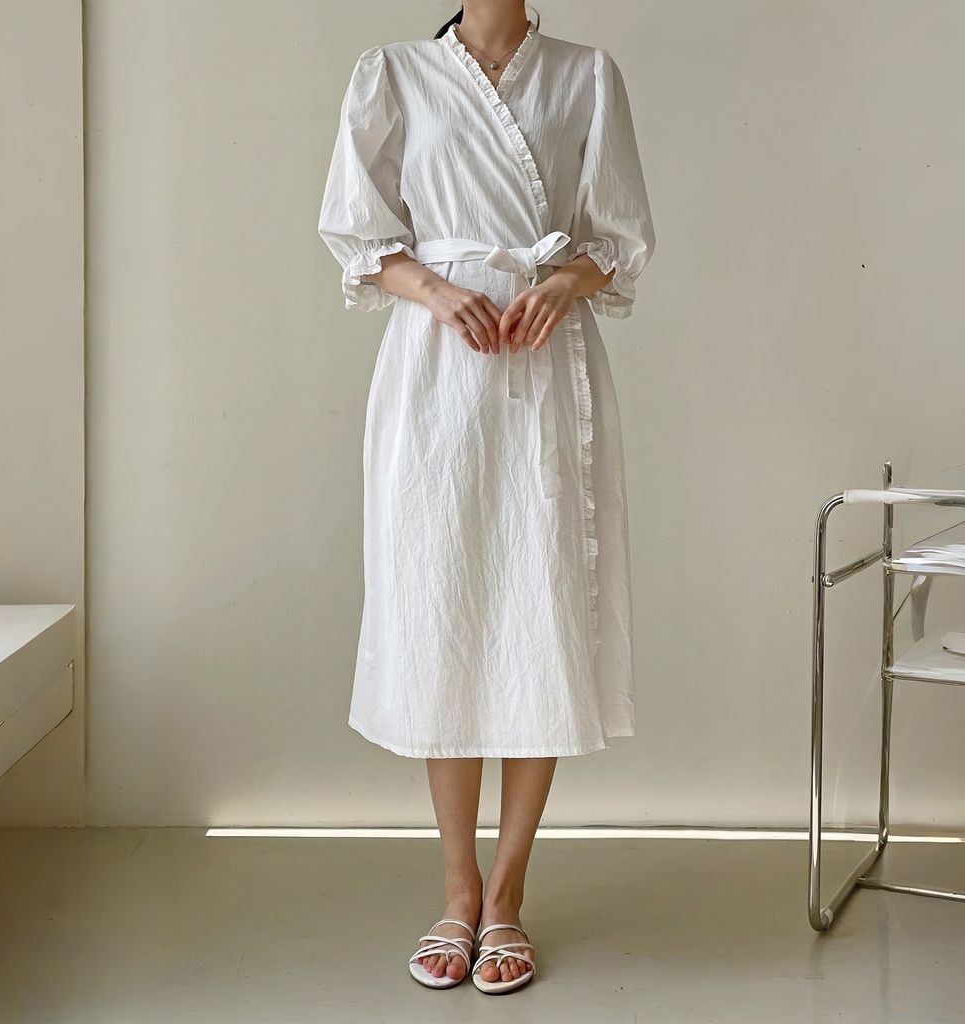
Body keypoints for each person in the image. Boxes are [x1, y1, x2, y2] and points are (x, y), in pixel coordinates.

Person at [317, 0, 655, 995]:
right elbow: (355, 226)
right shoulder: (392, 72)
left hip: (546, 366)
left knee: (538, 609)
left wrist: (560, 286)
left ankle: (507, 894)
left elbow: (619, 235)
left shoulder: (586, 74)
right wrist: (437, 290)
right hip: (436, 371)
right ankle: (456, 890)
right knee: (441, 610)